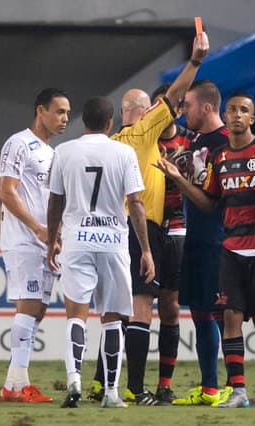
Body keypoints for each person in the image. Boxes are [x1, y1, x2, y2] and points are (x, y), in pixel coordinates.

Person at [85, 32, 210, 407]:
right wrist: (195, 62)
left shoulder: (102, 146)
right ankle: (135, 389)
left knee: (112, 311)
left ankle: (101, 382)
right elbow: (172, 99)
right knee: (142, 309)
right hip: (139, 230)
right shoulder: (142, 136)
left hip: (100, 232)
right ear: (142, 114)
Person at [155, 92, 255, 408]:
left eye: (244, 111)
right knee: (230, 315)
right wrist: (179, 179)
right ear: (225, 116)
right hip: (230, 249)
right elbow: (208, 202)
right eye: (232, 110)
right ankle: (239, 391)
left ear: (252, 119)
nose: (237, 115)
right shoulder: (220, 157)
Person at [46, 96, 155, 409]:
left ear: (84, 121)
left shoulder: (64, 151)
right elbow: (135, 203)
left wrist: (52, 240)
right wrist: (146, 249)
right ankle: (110, 392)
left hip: (77, 241)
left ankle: (75, 380)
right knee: (111, 319)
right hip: (112, 242)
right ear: (111, 123)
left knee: (75, 315)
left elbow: (55, 201)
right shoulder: (123, 152)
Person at [0, 88, 71, 403]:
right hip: (24, 241)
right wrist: (37, 228)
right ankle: (16, 387)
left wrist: (55, 235)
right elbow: (7, 190)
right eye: (59, 111)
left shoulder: (53, 154)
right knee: (28, 307)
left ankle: (14, 384)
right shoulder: (18, 143)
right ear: (40, 110)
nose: (65, 118)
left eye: (67, 113)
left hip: (45, 242)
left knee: (37, 309)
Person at [172, 80, 232, 407]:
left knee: (219, 314)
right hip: (196, 238)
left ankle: (228, 387)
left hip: (217, 239)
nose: (184, 112)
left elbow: (212, 201)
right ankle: (211, 388)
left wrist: (178, 179)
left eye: (188, 106)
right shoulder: (196, 142)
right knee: (200, 313)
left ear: (206, 107)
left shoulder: (226, 144)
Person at [149, 83, 198, 402]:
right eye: (160, 104)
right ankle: (111, 382)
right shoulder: (142, 139)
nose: (165, 109)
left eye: (171, 105)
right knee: (128, 310)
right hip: (144, 229)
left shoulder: (191, 142)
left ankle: (164, 384)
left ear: (179, 109)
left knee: (170, 307)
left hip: (178, 230)